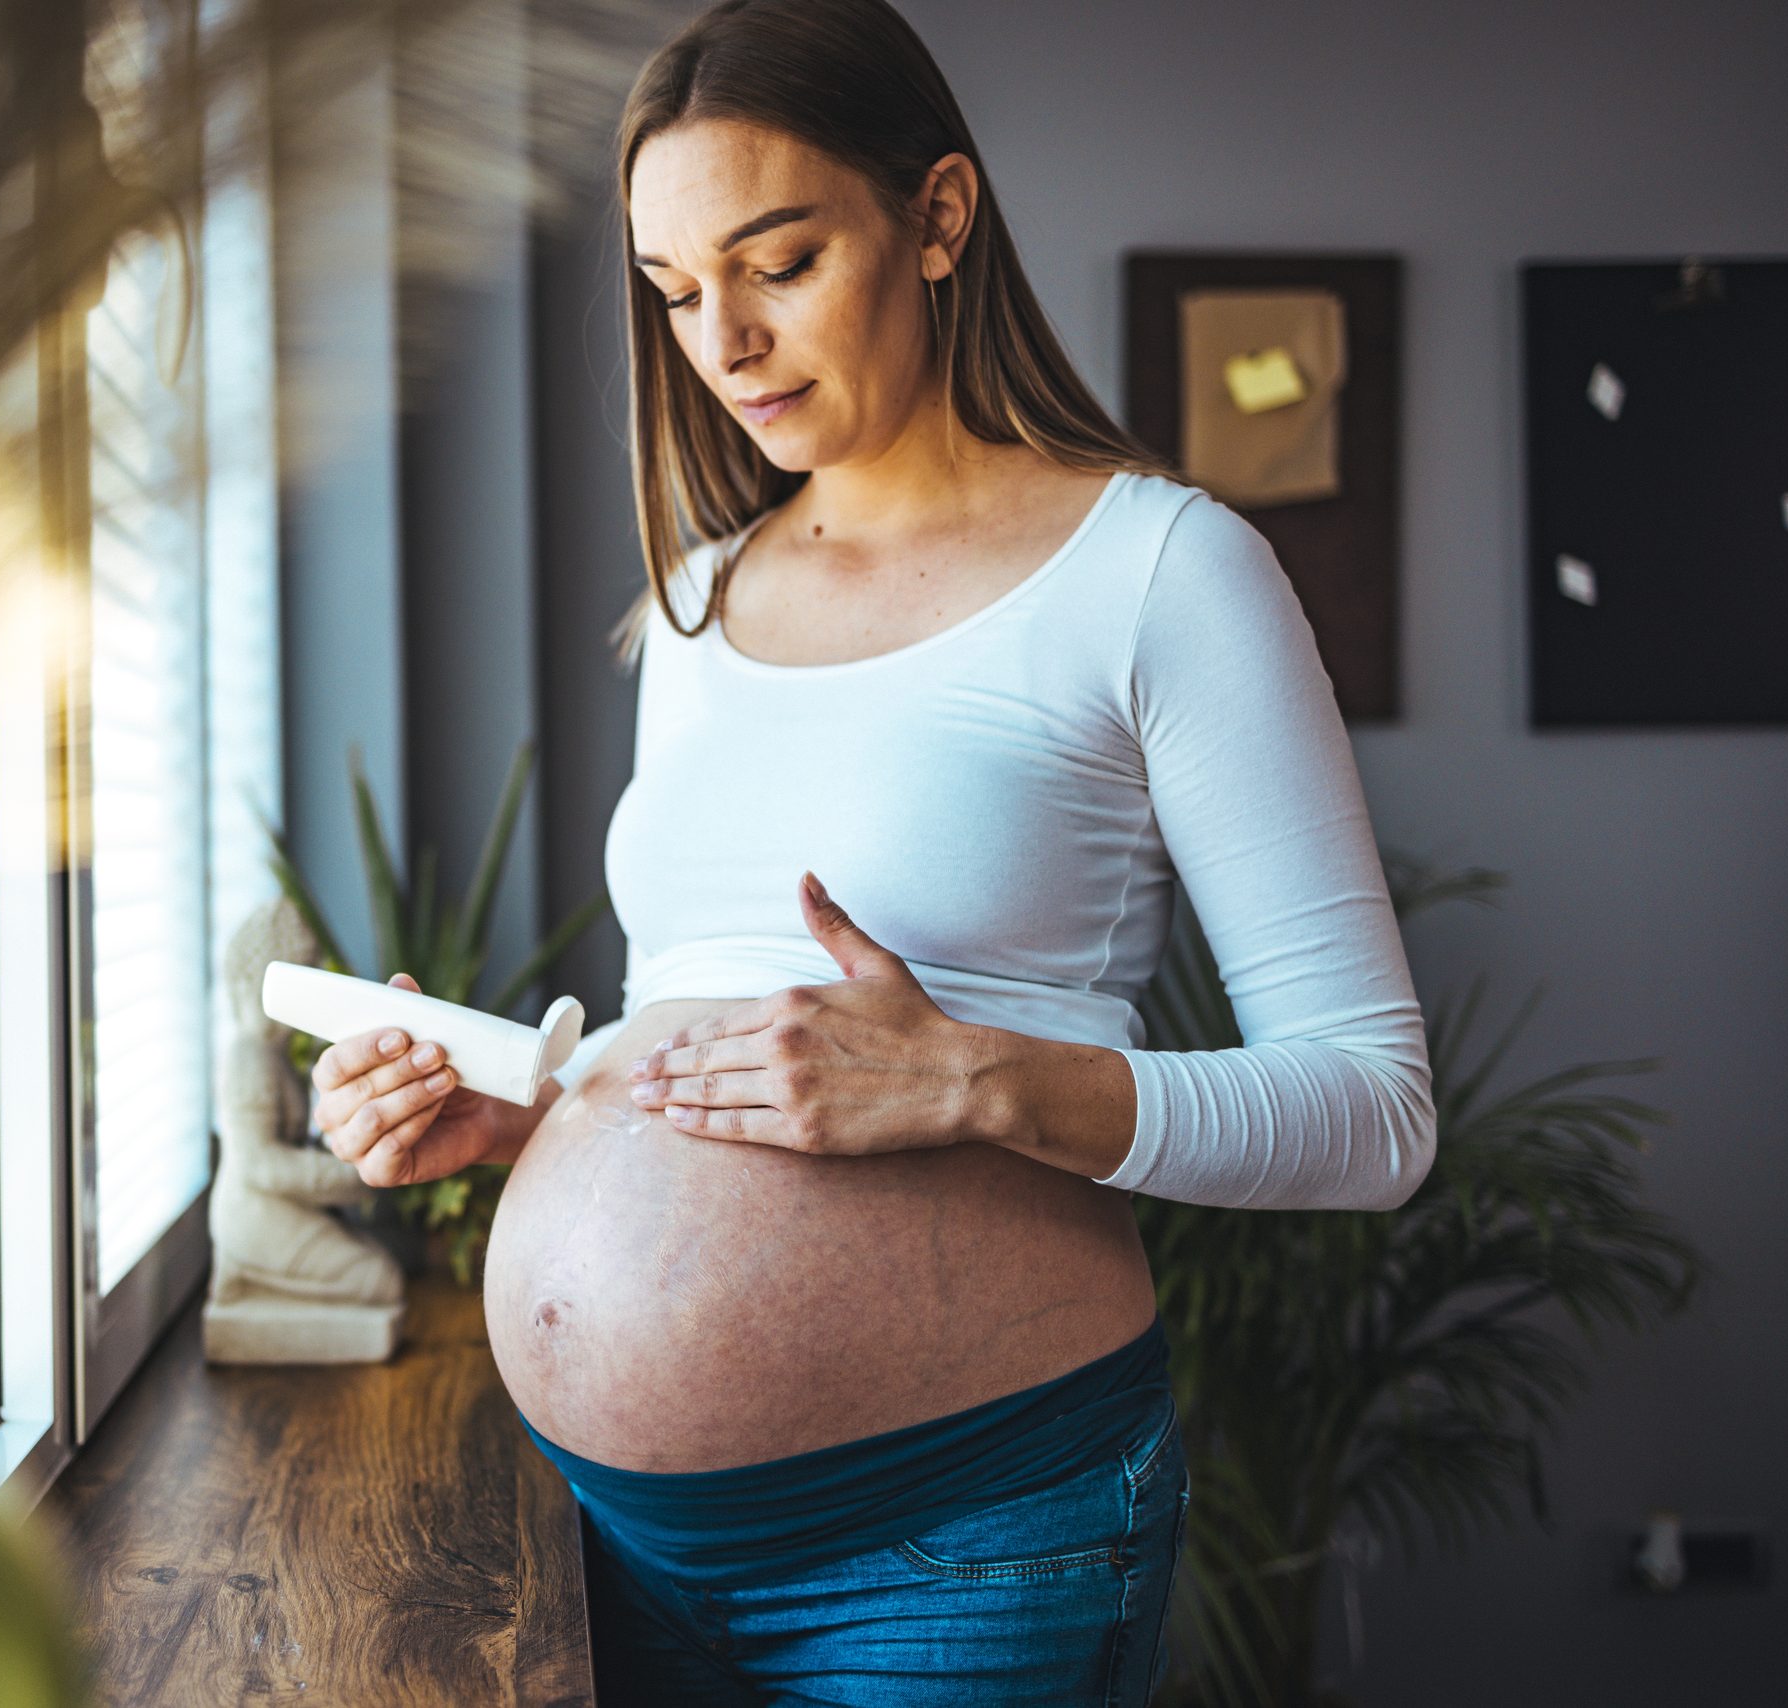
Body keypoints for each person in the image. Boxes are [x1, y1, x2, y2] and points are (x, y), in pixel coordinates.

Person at [307, 0, 1436, 1700]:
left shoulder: (1161, 572)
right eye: (677, 292)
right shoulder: (697, 601)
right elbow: (718, 1022)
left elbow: (1376, 1110)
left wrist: (978, 1081)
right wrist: (528, 1102)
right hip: (608, 1534)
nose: (727, 343)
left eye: (777, 262)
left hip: (958, 1541)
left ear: (938, 216)